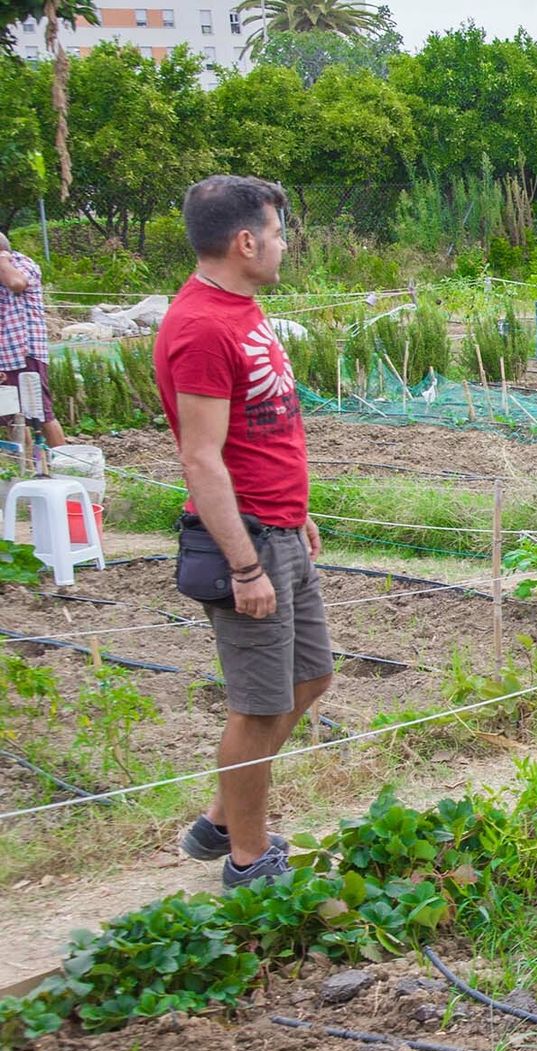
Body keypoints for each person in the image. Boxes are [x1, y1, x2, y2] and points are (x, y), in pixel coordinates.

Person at [154, 175, 333, 888]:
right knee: (258, 706)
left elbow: (261, 430)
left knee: (311, 676)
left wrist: (297, 508)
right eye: (278, 233)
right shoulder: (200, 327)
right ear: (245, 242)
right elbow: (201, 457)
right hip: (247, 541)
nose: (284, 246)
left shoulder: (241, 310)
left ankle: (222, 819)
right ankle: (249, 860)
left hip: (279, 525)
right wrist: (245, 566)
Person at [0, 231, 69, 449]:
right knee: (11, 414)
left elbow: (16, 283)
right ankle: (26, 464)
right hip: (4, 357)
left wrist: (2, 260)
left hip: (25, 353)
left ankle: (64, 463)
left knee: (41, 414)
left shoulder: (22, 264)